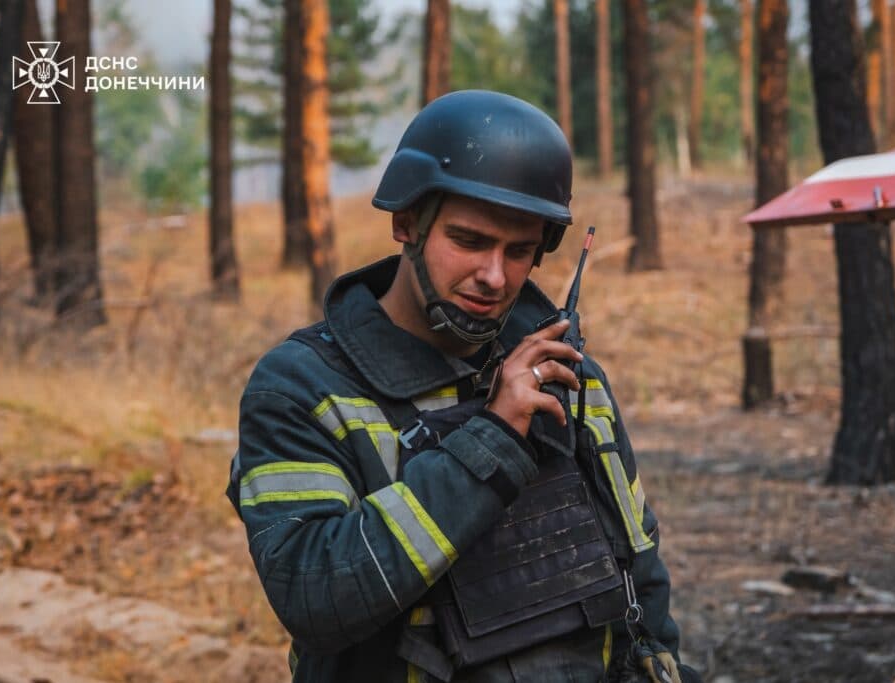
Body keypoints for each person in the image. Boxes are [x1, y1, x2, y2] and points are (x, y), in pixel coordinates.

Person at [227, 90, 700, 683]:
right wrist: (496, 436)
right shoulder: (303, 388)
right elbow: (316, 598)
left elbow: (641, 575)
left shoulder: (570, 377)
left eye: (520, 251)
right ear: (407, 223)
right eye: (470, 241)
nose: (494, 276)